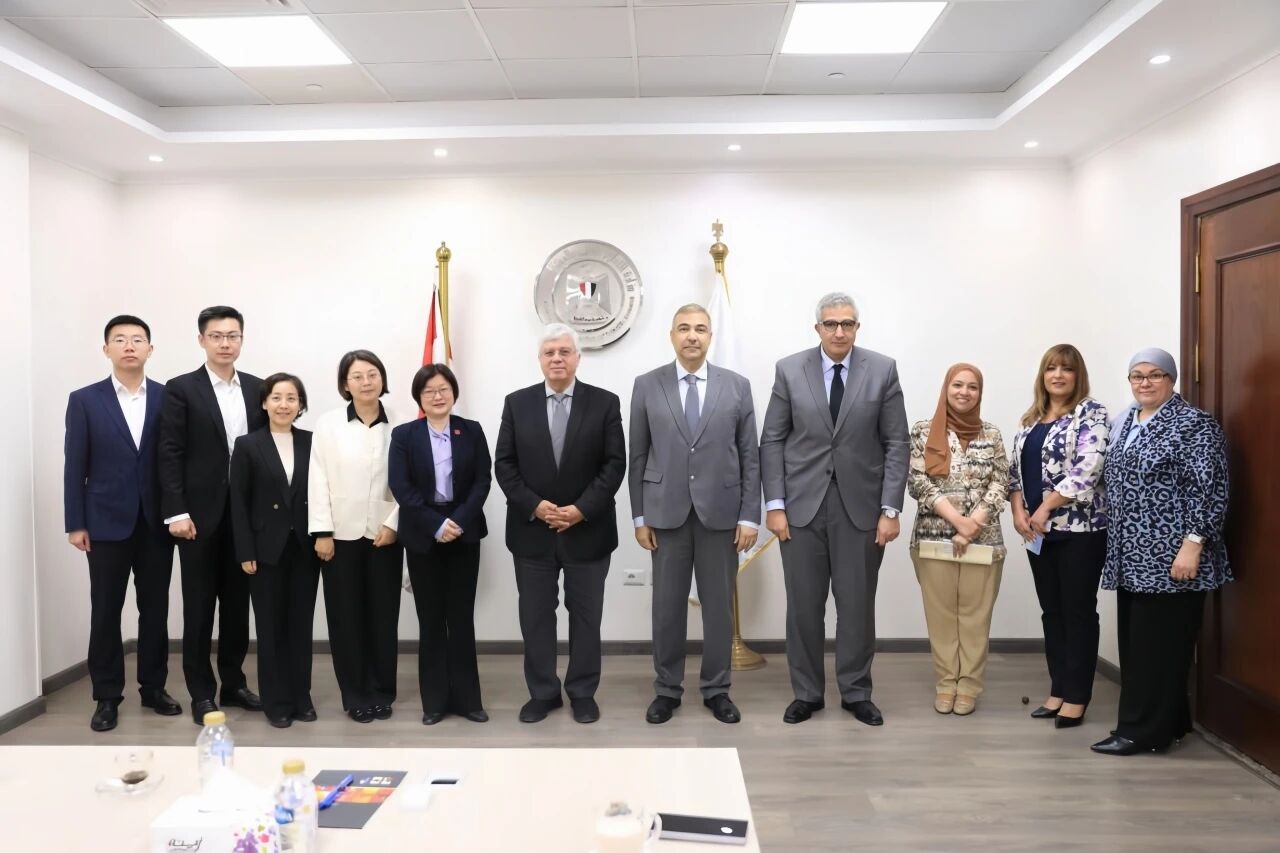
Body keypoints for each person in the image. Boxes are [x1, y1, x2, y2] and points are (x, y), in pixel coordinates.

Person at [760, 292, 909, 726]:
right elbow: (772, 439)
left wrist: (890, 509)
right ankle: (807, 693)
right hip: (800, 509)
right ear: (818, 328)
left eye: (847, 323)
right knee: (803, 608)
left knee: (857, 606)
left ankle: (856, 691)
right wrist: (775, 505)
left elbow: (897, 442)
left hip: (861, 510)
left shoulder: (882, 370)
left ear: (857, 327)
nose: (839, 331)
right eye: (831, 324)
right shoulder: (790, 370)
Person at [1092, 349, 1232, 755]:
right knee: (1142, 646)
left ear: (1172, 379)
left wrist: (1194, 544)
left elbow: (1210, 488)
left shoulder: (1194, 424)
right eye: (1137, 375)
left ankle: (1139, 733)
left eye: (1155, 375)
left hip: (1172, 556)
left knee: (1158, 649)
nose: (1145, 383)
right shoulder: (1128, 421)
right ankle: (1171, 723)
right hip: (1133, 556)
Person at [629, 304, 760, 725]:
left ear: (710, 337)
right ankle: (667, 690)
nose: (692, 336)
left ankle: (717, 689)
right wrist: (639, 517)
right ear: (672, 336)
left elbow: (750, 456)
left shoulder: (736, 386)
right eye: (683, 328)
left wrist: (750, 516)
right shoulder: (647, 385)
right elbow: (638, 455)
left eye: (700, 329)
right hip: (664, 515)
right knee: (667, 609)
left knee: (719, 608)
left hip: (721, 516)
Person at [495, 324, 626, 724]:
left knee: (586, 617)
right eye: (549, 352)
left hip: (588, 531)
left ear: (577, 358)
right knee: (536, 617)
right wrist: (536, 506)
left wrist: (581, 509)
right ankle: (544, 693)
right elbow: (504, 464)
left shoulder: (604, 403)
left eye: (564, 352)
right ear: (540, 359)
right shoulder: (517, 404)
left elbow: (614, 464)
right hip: (531, 532)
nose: (557, 358)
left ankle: (582, 692)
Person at [64, 315, 179, 732]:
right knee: (105, 611)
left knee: (156, 610)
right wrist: (75, 522)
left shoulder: (168, 397)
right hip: (103, 522)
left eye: (137, 339)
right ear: (106, 349)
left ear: (150, 349)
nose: (129, 346)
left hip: (156, 522)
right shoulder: (84, 399)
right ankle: (107, 696)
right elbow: (74, 464)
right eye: (120, 339)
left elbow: (175, 460)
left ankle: (154, 688)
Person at [158, 305, 265, 724]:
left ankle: (234, 685)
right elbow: (170, 452)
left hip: (245, 516)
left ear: (242, 340)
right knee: (199, 608)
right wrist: (176, 511)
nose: (225, 343)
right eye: (217, 336)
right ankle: (201, 692)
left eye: (232, 336)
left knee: (238, 608)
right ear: (201, 340)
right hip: (198, 518)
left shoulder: (257, 388)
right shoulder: (181, 388)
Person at [1008, 343, 1109, 729]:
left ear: (1077, 375)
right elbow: (1014, 473)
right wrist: (1018, 511)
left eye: (1066, 368)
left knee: (1077, 612)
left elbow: (1088, 469)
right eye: (1051, 368)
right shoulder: (1030, 419)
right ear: (1043, 375)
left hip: (1079, 531)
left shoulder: (1091, 413)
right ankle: (1058, 689)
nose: (1058, 375)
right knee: (1052, 612)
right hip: (1037, 533)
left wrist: (1045, 507)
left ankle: (1077, 696)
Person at [389, 364, 492, 726]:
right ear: (419, 397)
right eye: (429, 390)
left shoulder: (471, 430)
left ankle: (468, 700)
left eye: (443, 389)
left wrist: (457, 522)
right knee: (431, 620)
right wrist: (435, 524)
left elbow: (482, 481)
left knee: (461, 618)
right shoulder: (404, 435)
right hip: (423, 532)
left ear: (453, 392)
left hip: (464, 531)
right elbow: (401, 486)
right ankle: (433, 701)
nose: (437, 396)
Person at [906, 364, 1009, 716]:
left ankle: (969, 686)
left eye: (972, 387)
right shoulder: (923, 430)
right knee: (941, 616)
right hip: (934, 538)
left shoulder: (991, 433)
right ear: (946, 388)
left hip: (984, 540)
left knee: (975, 617)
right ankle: (946, 682)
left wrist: (973, 523)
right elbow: (918, 482)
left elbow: (1001, 481)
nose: (964, 392)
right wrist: (957, 522)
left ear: (980, 393)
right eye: (958, 384)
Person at [308, 350, 402, 724]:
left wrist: (394, 523)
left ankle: (382, 690)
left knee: (383, 616)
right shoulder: (328, 424)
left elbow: (410, 481)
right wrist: (322, 531)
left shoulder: (400, 422)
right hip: (339, 536)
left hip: (385, 534)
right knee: (345, 617)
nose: (366, 382)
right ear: (345, 384)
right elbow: (318, 477)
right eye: (357, 376)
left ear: (382, 378)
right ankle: (355, 693)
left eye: (372, 374)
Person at [229, 373, 319, 728]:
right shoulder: (248, 445)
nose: (284, 404)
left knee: (300, 626)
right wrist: (245, 550)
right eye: (277, 398)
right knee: (270, 628)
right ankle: (276, 702)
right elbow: (239, 502)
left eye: (292, 398)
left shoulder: (312, 442)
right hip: (265, 550)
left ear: (301, 405)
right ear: (264, 403)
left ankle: (302, 697)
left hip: (304, 548)